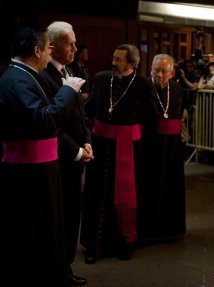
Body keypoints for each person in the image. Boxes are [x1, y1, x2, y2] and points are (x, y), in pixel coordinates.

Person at [0, 23, 85, 287]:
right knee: (35, 231)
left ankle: (53, 274)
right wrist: (68, 91)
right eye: (48, 48)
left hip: (41, 165)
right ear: (37, 51)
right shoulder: (16, 78)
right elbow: (43, 120)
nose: (50, 54)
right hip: (30, 170)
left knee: (48, 228)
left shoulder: (21, 74)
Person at [80, 44, 160, 264]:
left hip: (129, 151)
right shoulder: (102, 78)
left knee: (125, 199)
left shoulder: (143, 85)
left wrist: (138, 143)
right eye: (113, 58)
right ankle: (94, 246)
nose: (113, 63)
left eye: (119, 60)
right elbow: (89, 107)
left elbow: (152, 121)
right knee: (97, 195)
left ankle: (124, 244)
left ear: (132, 64)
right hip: (101, 145)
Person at [38, 21, 92, 286]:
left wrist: (88, 142)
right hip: (58, 158)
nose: (74, 48)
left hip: (77, 155)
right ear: (52, 45)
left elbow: (82, 114)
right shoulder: (42, 75)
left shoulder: (71, 69)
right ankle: (60, 271)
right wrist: (77, 150)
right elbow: (52, 125)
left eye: (74, 42)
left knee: (72, 216)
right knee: (59, 219)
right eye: (68, 43)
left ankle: (66, 267)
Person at [139, 54, 186, 242]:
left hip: (173, 146)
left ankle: (170, 229)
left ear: (172, 73)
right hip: (150, 143)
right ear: (150, 69)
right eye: (155, 70)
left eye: (164, 71)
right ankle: (147, 230)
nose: (159, 74)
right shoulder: (144, 87)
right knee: (150, 185)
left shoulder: (177, 88)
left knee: (171, 185)